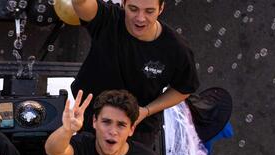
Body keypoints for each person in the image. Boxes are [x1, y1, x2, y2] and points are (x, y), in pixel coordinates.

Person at [70, 0, 199, 146]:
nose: (140, 18)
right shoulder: (107, 19)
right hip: (91, 115)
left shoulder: (177, 49)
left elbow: (184, 88)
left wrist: (147, 110)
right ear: (123, 4)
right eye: (133, 9)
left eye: (149, 11)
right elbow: (81, 3)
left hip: (138, 125)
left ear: (161, 8)